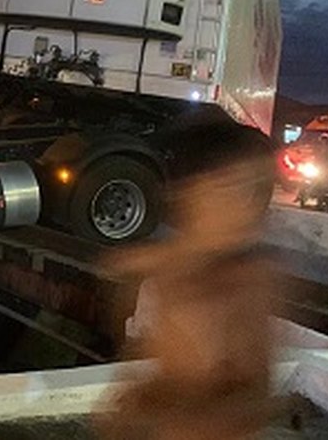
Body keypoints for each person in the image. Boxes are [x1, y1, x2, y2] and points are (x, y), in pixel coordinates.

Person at [96, 118, 277, 440]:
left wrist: (154, 404)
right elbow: (167, 367)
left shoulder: (247, 282)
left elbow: (249, 395)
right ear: (188, 194)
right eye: (230, 190)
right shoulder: (168, 273)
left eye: (257, 192)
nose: (249, 209)